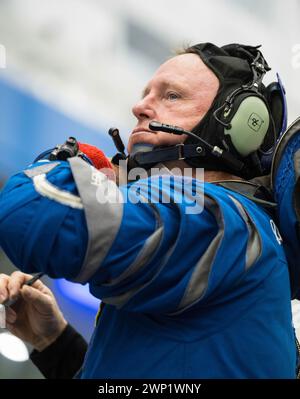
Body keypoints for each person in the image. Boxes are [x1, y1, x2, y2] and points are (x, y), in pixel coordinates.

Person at [0, 42, 298, 379]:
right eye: (146, 94)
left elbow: (29, 213)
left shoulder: (214, 216)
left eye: (172, 96)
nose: (139, 107)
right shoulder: (237, 234)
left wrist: (65, 161)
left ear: (244, 126)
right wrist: (55, 344)